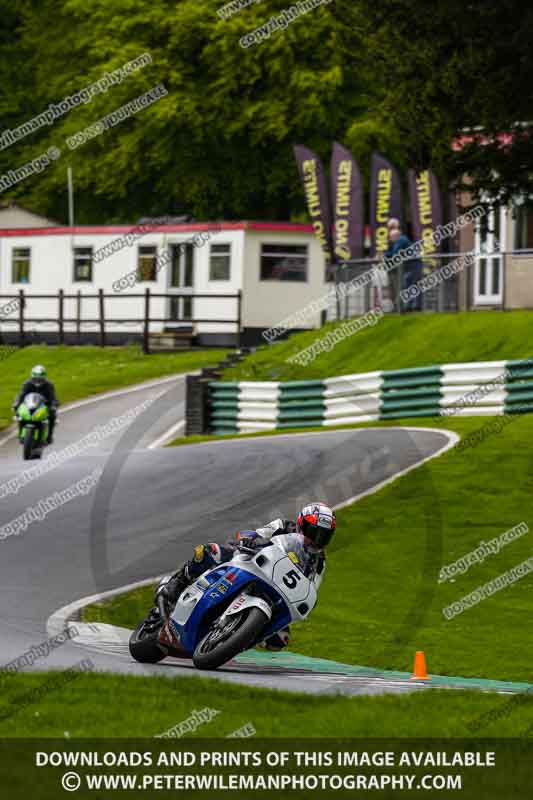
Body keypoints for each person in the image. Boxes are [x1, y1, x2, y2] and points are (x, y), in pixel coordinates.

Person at [156, 502, 336, 651]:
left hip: (276, 589)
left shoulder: (319, 562)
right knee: (210, 551)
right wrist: (250, 539)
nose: (317, 540)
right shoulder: (283, 526)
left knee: (280, 640)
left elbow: (311, 587)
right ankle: (176, 583)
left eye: (324, 536)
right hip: (249, 558)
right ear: (301, 524)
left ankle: (236, 636)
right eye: (314, 532)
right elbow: (260, 533)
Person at [13, 365, 59, 444]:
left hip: (43, 405)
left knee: (52, 415)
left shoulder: (49, 385)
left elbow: (53, 397)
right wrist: (16, 403)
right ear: (32, 376)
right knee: (19, 414)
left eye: (40, 379)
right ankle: (20, 433)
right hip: (29, 404)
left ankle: (49, 435)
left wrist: (54, 404)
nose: (38, 381)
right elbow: (22, 395)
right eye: (36, 378)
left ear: (44, 377)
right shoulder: (27, 384)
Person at [384, 220, 422, 311]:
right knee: (409, 285)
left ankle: (414, 306)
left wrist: (385, 256)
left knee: (411, 285)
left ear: (395, 236)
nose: (390, 239)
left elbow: (395, 253)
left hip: (413, 265)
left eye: (391, 238)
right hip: (410, 265)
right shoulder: (401, 239)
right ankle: (411, 306)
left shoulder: (400, 240)